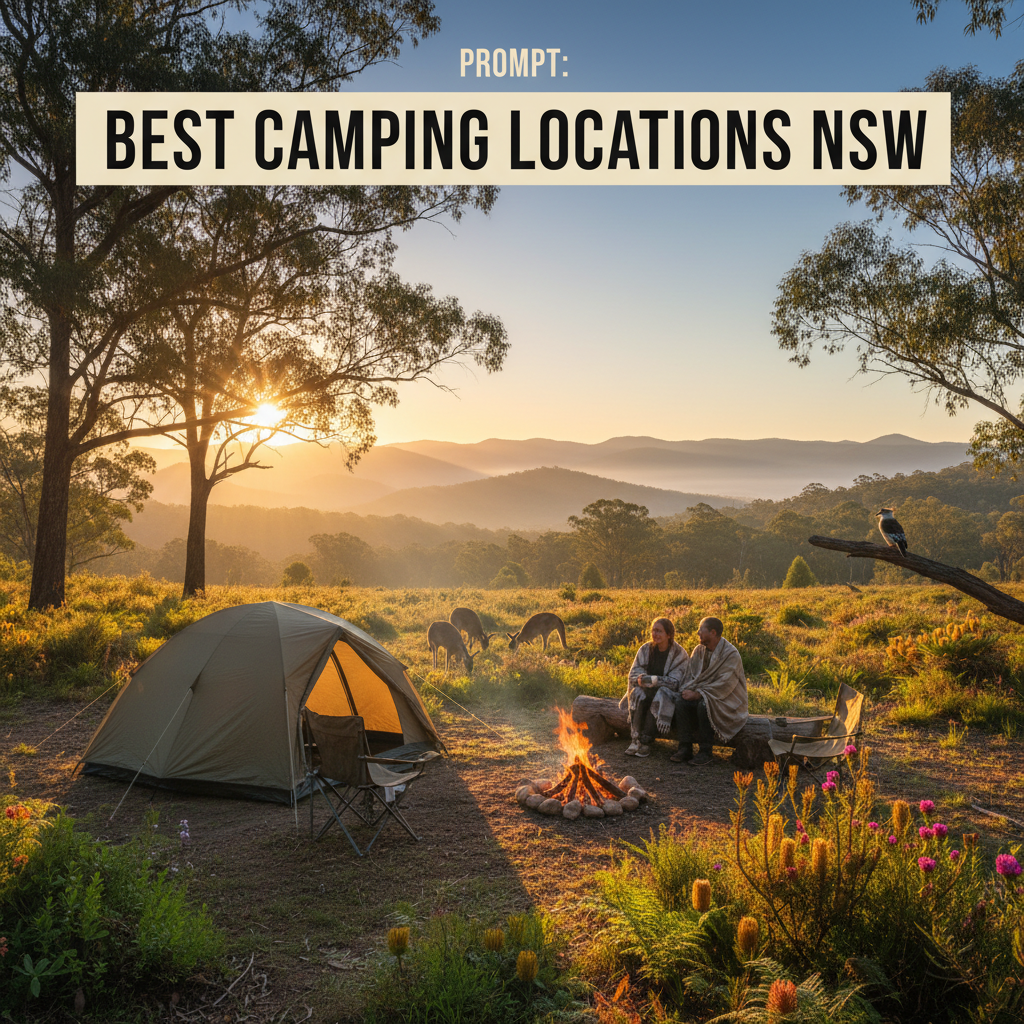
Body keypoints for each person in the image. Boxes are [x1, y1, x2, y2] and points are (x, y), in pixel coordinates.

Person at [671, 616, 748, 766]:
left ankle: (705, 751)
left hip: (725, 697)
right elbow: (691, 675)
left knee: (704, 705)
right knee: (681, 702)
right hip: (700, 692)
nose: (698, 632)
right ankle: (685, 748)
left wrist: (699, 694)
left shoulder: (731, 654)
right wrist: (689, 690)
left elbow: (726, 683)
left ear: (713, 633)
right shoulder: (699, 650)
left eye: (701, 630)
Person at [620, 617, 689, 757]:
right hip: (647, 689)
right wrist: (641, 678)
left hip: (668, 693)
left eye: (659, 631)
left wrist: (656, 680)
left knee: (660, 695)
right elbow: (634, 672)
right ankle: (635, 738)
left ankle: (646, 740)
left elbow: (676, 682)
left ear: (668, 635)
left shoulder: (679, 654)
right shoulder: (645, 649)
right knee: (638, 693)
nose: (655, 634)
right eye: (653, 630)